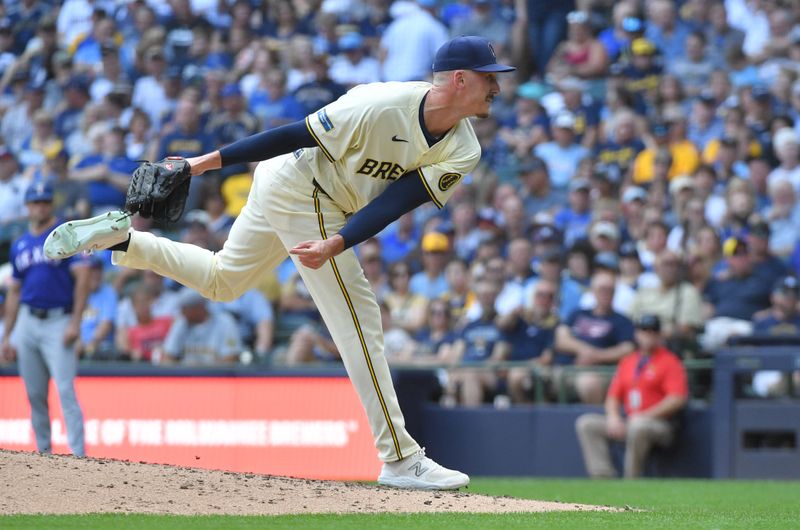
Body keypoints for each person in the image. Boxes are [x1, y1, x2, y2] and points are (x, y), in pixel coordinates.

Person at [44, 35, 516, 491]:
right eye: (488, 76)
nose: (497, 86)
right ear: (459, 79)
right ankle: (400, 457)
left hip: (319, 204)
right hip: (300, 183)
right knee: (359, 318)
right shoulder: (379, 102)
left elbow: (398, 200)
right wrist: (197, 164)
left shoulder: (465, 147)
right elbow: (293, 133)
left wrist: (340, 241)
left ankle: (125, 242)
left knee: (222, 281)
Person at [1, 181, 90, 456]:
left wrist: (76, 322)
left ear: (51, 204)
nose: (41, 206)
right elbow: (15, 291)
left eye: (45, 201)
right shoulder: (19, 244)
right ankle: (43, 455)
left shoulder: (65, 233)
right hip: (28, 320)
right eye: (36, 202)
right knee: (35, 394)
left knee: (65, 390)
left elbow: (83, 278)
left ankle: (78, 455)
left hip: (58, 320)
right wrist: (8, 334)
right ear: (27, 207)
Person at [575, 314, 688, 478]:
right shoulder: (628, 361)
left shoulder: (670, 361)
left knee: (638, 425)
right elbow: (613, 396)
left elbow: (677, 398)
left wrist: (645, 415)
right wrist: (614, 418)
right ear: (636, 333)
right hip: (630, 420)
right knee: (587, 424)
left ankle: (631, 478)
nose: (648, 334)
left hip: (661, 425)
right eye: (644, 330)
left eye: (653, 331)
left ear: (659, 334)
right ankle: (602, 476)